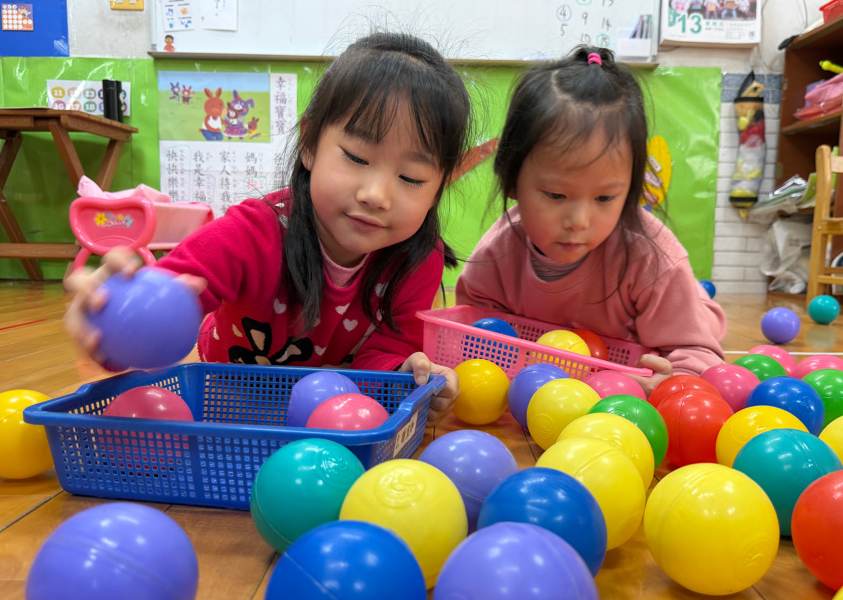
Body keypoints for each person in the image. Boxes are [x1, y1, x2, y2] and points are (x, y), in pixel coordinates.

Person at [64, 32, 471, 424]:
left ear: (439, 186)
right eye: (356, 157)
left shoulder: (418, 257)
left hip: (330, 408)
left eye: (412, 178)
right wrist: (110, 318)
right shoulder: (253, 232)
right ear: (309, 143)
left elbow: (390, 347)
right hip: (233, 389)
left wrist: (406, 373)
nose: (376, 195)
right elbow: (162, 304)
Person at [455, 46, 725, 396]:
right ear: (511, 182)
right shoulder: (497, 256)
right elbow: (474, 333)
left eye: (604, 198)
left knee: (691, 312)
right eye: (556, 195)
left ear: (630, 192)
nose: (579, 222)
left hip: (675, 314)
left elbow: (699, 355)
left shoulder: (651, 259)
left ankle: (696, 297)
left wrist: (669, 382)